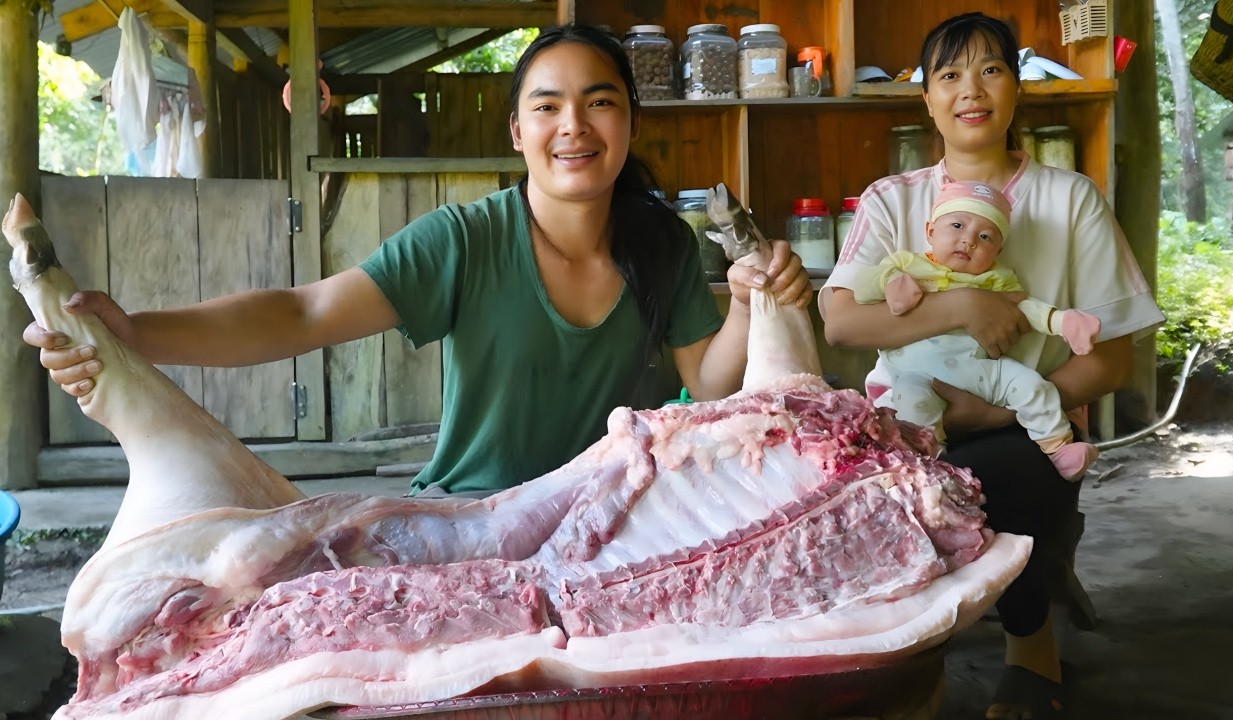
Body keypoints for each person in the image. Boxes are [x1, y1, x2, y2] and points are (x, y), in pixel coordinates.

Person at [23, 23, 811, 498]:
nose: (575, 125)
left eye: (600, 101)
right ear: (516, 132)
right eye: (548, 105)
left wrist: (749, 303)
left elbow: (707, 382)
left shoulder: (663, 243)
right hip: (467, 515)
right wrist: (137, 332)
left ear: (629, 124)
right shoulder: (462, 241)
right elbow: (303, 312)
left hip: (611, 517)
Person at [820, 12, 1163, 720]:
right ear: (927, 99)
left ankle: (1030, 644)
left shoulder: (1070, 200)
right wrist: (960, 310)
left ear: (1017, 88)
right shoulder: (894, 199)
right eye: (948, 75)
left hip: (1024, 419)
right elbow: (843, 319)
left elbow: (1113, 362)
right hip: (907, 414)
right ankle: (894, 649)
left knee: (1000, 474)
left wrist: (1002, 410)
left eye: (991, 70)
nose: (969, 90)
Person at [852, 179, 1102, 481]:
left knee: (1033, 386)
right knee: (912, 403)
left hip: (981, 372)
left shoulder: (997, 280)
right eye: (957, 226)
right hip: (919, 376)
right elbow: (862, 290)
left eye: (984, 236)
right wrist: (891, 281)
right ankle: (929, 463)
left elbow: (1024, 307)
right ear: (930, 232)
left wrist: (1062, 322)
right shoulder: (907, 263)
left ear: (998, 250)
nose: (968, 240)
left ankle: (1059, 449)